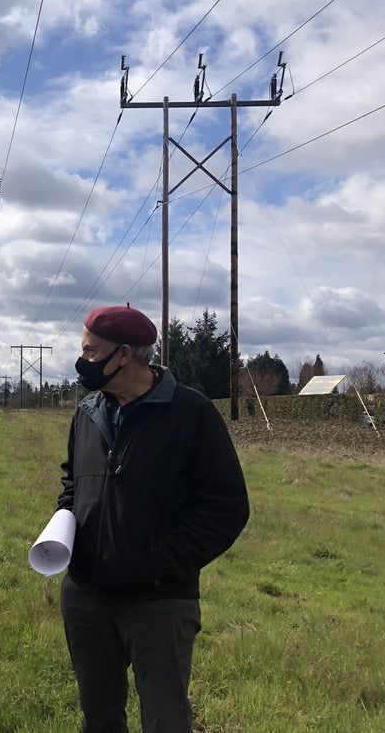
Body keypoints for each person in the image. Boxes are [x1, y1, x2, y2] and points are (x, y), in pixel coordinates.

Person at [57, 305, 249, 733]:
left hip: (159, 603)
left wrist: (162, 560)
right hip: (87, 596)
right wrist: (65, 522)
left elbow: (227, 505)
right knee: (99, 717)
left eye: (90, 352)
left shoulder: (190, 414)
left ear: (123, 355)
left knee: (166, 720)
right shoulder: (87, 412)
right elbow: (73, 480)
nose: (81, 361)